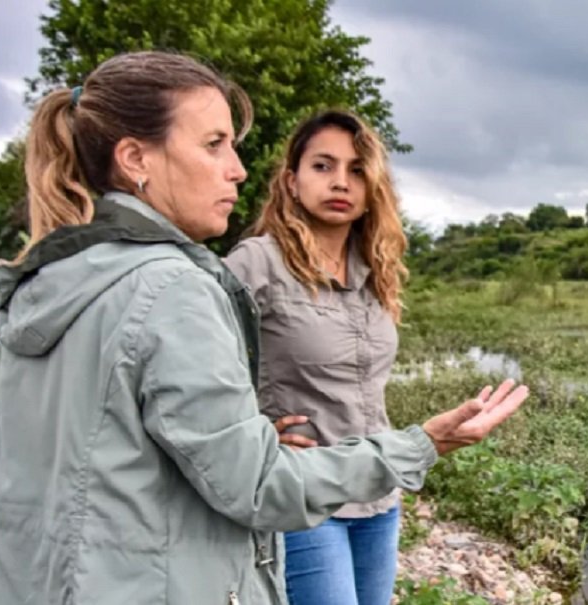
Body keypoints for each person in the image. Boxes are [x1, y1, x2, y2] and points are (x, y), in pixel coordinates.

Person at [0, 51, 528, 605]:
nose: (237, 169)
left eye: (358, 169)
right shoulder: (178, 288)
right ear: (136, 158)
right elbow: (258, 485)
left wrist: (243, 433)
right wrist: (425, 443)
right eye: (215, 144)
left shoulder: (40, 285)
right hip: (292, 507)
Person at [223, 110, 421, 604]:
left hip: (377, 493)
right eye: (322, 166)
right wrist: (252, 433)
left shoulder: (375, 269)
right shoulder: (258, 262)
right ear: (291, 181)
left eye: (357, 170)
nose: (340, 182)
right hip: (302, 493)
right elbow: (196, 360)